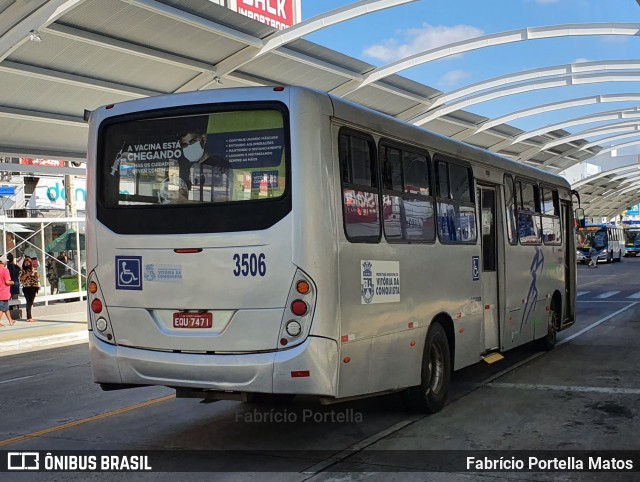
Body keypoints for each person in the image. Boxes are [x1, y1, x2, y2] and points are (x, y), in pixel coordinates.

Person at [178, 128, 231, 203]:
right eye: (184, 145)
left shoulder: (220, 166)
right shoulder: (185, 167)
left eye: (192, 141)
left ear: (203, 138)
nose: (189, 147)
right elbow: (181, 195)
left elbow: (226, 197)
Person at [19, 257, 39, 322]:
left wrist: (35, 273)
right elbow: (21, 280)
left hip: (33, 287)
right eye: (25, 262)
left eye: (28, 262)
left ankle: (29, 316)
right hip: (26, 287)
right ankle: (29, 317)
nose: (27, 263)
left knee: (31, 302)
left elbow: (37, 276)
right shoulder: (22, 271)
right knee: (28, 302)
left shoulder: (33, 269)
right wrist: (27, 274)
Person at [0, 255, 16, 327]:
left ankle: (10, 320)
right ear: (3, 262)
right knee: (1, 308)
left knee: (6, 307)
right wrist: (12, 282)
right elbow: (7, 282)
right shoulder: (5, 270)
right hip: (3, 292)